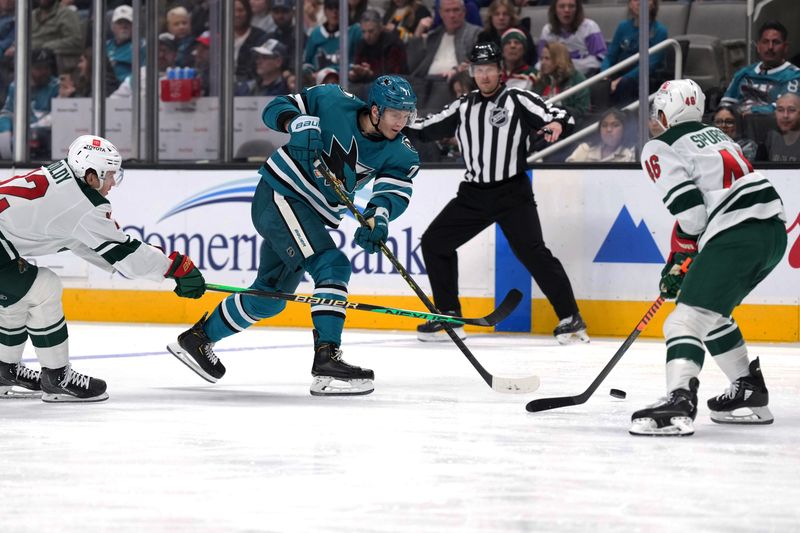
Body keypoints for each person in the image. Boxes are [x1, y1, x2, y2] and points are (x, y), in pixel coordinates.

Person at [167, 76, 420, 396]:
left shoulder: (400, 152)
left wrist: (377, 218)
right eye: (395, 114)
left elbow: (392, 192)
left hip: (307, 214)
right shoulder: (331, 100)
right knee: (333, 266)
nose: (402, 122)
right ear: (374, 110)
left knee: (269, 297)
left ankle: (197, 340)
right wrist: (297, 122)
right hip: (281, 196)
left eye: (406, 114)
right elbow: (276, 107)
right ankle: (327, 360)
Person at [630, 79, 786, 437]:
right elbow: (700, 220)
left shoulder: (659, 146)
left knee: (683, 322)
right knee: (712, 316)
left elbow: (693, 217)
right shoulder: (720, 137)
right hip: (771, 231)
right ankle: (748, 389)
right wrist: (681, 258)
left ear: (666, 110)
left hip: (736, 233)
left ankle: (679, 400)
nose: (656, 119)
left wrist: (678, 261)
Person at [405, 42, 588, 344]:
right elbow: (426, 128)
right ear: (472, 72)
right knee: (436, 242)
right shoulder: (463, 106)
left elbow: (561, 115)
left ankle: (570, 317)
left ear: (500, 71)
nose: (485, 75)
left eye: (490, 69)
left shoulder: (518, 99)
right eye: (479, 70)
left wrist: (556, 124)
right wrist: (395, 122)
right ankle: (449, 316)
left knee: (534, 253)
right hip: (473, 195)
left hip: (511, 193)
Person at [0, 135, 205, 401]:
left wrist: (126, 264)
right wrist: (175, 268)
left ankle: (5, 371)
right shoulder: (83, 205)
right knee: (43, 288)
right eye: (109, 175)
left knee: (18, 297)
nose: (112, 183)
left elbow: (81, 241)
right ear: (90, 175)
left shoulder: (63, 177)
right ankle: (57, 377)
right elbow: (125, 253)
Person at [720, 22, 800, 115]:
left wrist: (753, 112)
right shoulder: (743, 73)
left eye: (776, 42)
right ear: (758, 46)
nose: (770, 47)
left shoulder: (794, 76)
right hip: (739, 126)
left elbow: (784, 111)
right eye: (765, 42)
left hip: (772, 127)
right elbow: (726, 104)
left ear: (785, 47)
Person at [601, 0, 667, 106]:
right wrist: (604, 74)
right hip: (621, 74)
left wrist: (621, 80)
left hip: (644, 80)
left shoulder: (660, 31)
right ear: (630, 4)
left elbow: (649, 65)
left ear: (653, 4)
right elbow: (610, 56)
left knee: (625, 84)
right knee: (599, 81)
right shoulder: (623, 27)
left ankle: (624, 119)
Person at [0, 48, 59, 160]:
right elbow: (7, 112)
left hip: (45, 137)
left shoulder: (56, 86)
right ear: (29, 68)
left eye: (47, 67)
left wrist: (27, 130)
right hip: (21, 136)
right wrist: (4, 125)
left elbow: (56, 117)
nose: (44, 72)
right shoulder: (16, 86)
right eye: (38, 68)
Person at [409, 0, 481, 80]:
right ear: (440, 14)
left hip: (455, 83)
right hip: (426, 83)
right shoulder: (433, 36)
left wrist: (457, 70)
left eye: (456, 10)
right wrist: (418, 32)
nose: (452, 15)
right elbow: (412, 66)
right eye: (447, 11)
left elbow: (478, 63)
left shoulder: (476, 33)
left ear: (464, 11)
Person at [537, 0, 606, 76]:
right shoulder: (547, 30)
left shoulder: (589, 27)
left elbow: (600, 59)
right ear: (554, 9)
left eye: (571, 6)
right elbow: (541, 60)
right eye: (562, 6)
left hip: (584, 76)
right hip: (554, 75)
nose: (567, 10)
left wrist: (568, 66)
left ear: (577, 9)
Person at [532, 41, 589, 119]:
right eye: (541, 58)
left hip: (567, 125)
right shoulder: (542, 80)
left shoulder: (577, 79)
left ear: (559, 59)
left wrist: (557, 109)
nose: (542, 62)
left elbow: (582, 111)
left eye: (547, 58)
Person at [349, 9, 408, 84]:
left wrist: (371, 75)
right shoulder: (362, 44)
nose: (367, 36)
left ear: (380, 28)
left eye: (371, 31)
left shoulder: (393, 45)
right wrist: (355, 75)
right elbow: (358, 66)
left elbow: (395, 78)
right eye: (364, 32)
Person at [477, 0, 536, 65]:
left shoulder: (521, 34)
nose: (501, 18)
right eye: (497, 14)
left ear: (511, 17)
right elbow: (480, 62)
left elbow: (530, 59)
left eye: (505, 14)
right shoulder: (484, 37)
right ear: (491, 17)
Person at [566, 108, 635, 162]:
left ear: (624, 129)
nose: (609, 129)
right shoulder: (585, 149)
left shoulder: (630, 154)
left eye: (615, 125)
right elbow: (566, 175)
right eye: (604, 125)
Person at [763, 91, 800, 162]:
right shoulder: (771, 138)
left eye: (791, 110)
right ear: (775, 113)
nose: (785, 115)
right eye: (780, 110)